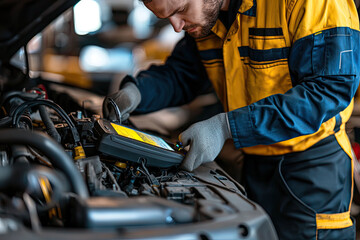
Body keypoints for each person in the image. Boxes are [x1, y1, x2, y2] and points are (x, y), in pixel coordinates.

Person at [103, 0, 360, 239]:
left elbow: (327, 90)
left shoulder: (309, 3)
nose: (176, 25)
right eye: (166, 16)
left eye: (179, 10)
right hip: (254, 165)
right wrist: (137, 93)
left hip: (312, 172)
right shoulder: (208, 18)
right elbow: (185, 73)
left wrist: (227, 126)